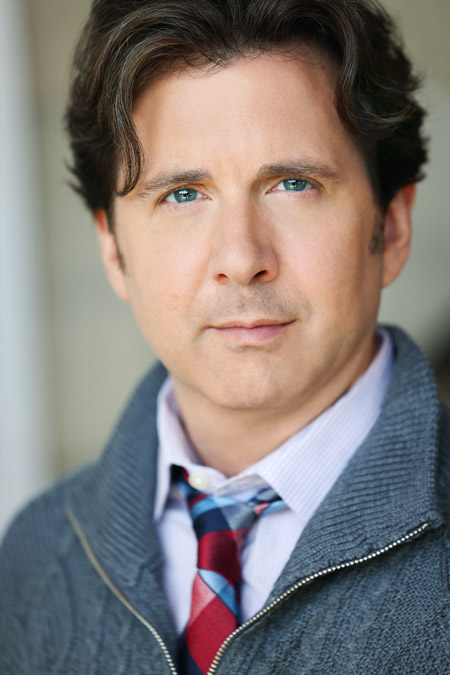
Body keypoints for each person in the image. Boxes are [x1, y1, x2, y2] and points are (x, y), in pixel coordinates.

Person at [1, 0, 449, 672]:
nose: (241, 258)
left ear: (391, 227)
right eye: (183, 194)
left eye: (293, 183)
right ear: (112, 248)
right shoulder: (32, 557)